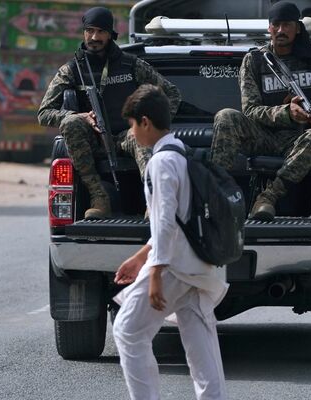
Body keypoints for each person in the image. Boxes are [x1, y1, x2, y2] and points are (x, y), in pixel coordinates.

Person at [112, 84, 228, 400]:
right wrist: (140, 257)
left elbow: (164, 221)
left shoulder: (160, 162)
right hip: (201, 263)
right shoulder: (183, 152)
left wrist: (155, 274)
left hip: (175, 265)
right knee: (201, 344)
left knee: (128, 330)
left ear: (145, 122)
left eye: (132, 125)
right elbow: (179, 218)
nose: (132, 133)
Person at [210, 2, 311, 221]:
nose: (281, 30)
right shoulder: (255, 60)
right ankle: (216, 197)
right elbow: (251, 110)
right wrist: (286, 112)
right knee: (226, 116)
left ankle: (268, 198)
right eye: (276, 25)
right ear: (269, 28)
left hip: (300, 139)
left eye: (287, 25)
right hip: (263, 136)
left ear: (298, 28)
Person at [38, 7, 181, 219]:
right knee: (70, 124)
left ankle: (153, 199)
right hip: (93, 141)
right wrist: (78, 116)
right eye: (90, 30)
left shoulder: (130, 64)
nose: (94, 37)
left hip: (127, 135)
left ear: (111, 34)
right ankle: (99, 197)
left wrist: (155, 124)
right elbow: (44, 113)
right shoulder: (72, 70)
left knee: (140, 135)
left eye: (101, 32)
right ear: (84, 32)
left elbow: (172, 93)